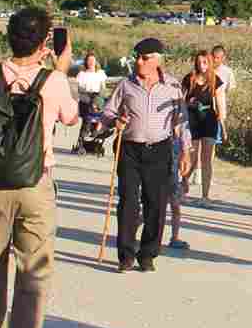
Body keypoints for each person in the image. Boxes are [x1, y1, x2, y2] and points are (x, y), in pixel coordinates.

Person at [0, 7, 75, 328]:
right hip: (36, 182)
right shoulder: (54, 81)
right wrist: (59, 67)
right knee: (34, 270)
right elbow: (70, 118)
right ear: (45, 42)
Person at [101, 38, 187, 271]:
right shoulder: (125, 85)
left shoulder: (173, 87)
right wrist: (115, 120)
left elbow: (181, 121)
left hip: (159, 149)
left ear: (157, 60)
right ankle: (126, 256)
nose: (139, 61)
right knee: (128, 202)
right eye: (137, 57)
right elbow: (107, 112)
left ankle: (148, 254)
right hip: (129, 148)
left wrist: (186, 151)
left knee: (156, 203)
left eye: (144, 57)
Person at [182, 50, 220, 203]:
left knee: (206, 160)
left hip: (209, 121)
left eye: (204, 62)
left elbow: (220, 102)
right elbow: (180, 101)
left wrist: (223, 123)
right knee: (191, 159)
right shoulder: (189, 78)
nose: (201, 65)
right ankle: (182, 190)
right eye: (199, 62)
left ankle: (205, 196)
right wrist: (188, 103)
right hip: (192, 121)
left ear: (209, 63)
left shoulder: (215, 79)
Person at [73, 51, 108, 125]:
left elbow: (103, 88)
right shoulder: (81, 74)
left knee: (97, 121)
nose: (91, 62)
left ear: (95, 62)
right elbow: (79, 89)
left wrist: (97, 98)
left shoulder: (100, 73)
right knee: (87, 122)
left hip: (98, 100)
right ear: (86, 62)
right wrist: (89, 95)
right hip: (86, 101)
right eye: (89, 60)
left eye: (93, 60)